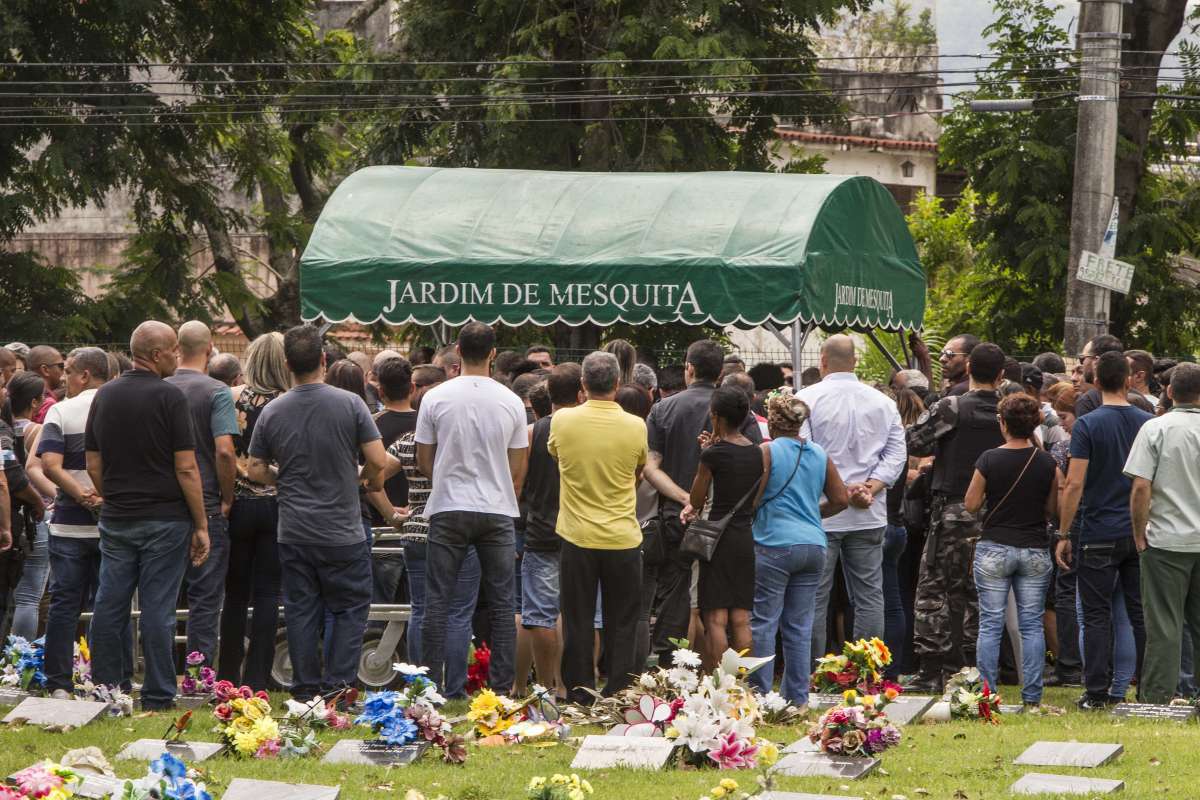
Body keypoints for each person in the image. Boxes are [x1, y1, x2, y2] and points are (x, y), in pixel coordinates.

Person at [247, 325, 387, 699]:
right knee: (349, 609)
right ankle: (338, 686)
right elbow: (377, 459)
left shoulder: (273, 411)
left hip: (294, 529)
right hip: (343, 529)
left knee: (300, 609)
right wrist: (365, 480)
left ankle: (305, 687)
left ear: (288, 364)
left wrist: (282, 477)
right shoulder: (351, 404)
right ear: (324, 360)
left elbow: (255, 469)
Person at [85, 321, 209, 710]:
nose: (178, 354)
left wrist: (113, 494)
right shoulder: (170, 398)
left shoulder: (104, 396)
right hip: (166, 519)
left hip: (118, 516)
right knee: (158, 608)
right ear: (156, 355)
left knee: (110, 603)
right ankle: (157, 694)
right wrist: (201, 523)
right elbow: (186, 467)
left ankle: (107, 687)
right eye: (173, 349)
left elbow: (92, 461)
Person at [416, 322, 527, 692]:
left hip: (449, 504)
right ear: (493, 354)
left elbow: (423, 459)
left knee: (437, 603)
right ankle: (500, 690)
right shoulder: (511, 400)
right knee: (501, 605)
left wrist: (447, 478)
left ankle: (429, 687)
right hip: (496, 508)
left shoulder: (435, 397)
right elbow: (517, 467)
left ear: (458, 352)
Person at [643, 340, 762, 665]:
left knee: (678, 596)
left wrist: (684, 499)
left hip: (676, 519)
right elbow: (749, 455)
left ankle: (673, 668)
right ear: (721, 371)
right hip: (728, 525)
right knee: (726, 608)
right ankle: (725, 677)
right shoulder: (738, 409)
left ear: (689, 369)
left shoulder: (663, 409)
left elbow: (650, 467)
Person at [797, 335, 906, 663]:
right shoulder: (883, 402)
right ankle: (868, 672)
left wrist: (840, 493)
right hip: (868, 511)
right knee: (870, 596)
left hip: (822, 512)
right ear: (855, 362)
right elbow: (897, 454)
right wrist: (870, 488)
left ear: (822, 360)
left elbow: (806, 453)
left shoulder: (806, 398)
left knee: (816, 597)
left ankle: (813, 673)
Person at [906, 342, 1007, 691]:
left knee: (933, 589)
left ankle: (932, 670)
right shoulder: (1008, 412)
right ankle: (972, 668)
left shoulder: (951, 407)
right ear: (1001, 375)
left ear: (968, 369)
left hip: (951, 511)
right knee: (980, 593)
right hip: (995, 514)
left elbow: (915, 442)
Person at [1056, 351, 1153, 709]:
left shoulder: (1088, 424)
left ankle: (1096, 691)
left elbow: (1075, 482)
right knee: (1139, 613)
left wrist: (1064, 533)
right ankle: (1146, 686)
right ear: (1129, 380)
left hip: (1098, 528)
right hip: (1138, 528)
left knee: (1095, 614)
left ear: (1095, 382)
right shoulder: (1147, 421)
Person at [379, 364, 481, 697]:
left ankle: (420, 684)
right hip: (458, 530)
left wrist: (393, 515)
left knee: (420, 609)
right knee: (457, 612)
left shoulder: (407, 442)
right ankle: (453, 688)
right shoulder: (460, 441)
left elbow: (371, 477)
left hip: (415, 532)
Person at [549, 351, 647, 701]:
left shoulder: (563, 421)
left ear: (582, 385)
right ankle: (620, 689)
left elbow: (556, 456)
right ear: (618, 384)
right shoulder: (637, 426)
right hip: (622, 536)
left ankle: (579, 690)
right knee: (623, 621)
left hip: (577, 536)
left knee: (577, 619)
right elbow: (637, 472)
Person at [748, 388, 849, 706]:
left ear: (774, 424)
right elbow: (841, 499)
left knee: (764, 620)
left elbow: (755, 497)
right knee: (799, 623)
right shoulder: (820, 454)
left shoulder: (768, 451)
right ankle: (797, 696)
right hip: (813, 544)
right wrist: (810, 512)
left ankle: (761, 695)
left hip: (773, 543)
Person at [964, 393, 1059, 706]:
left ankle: (987, 695)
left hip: (994, 546)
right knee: (1031, 624)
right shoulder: (1046, 461)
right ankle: (1032, 696)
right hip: (1033, 548)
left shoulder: (989, 459)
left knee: (990, 623)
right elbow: (1051, 509)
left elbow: (971, 503)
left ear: (1002, 423)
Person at [218, 332, 289, 690]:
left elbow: (224, 452)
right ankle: (259, 677)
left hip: (240, 502)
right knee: (267, 594)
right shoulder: (290, 403)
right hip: (278, 504)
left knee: (234, 593)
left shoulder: (231, 398)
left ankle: (227, 673)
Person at [1125, 363, 1200, 703]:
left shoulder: (1156, 428)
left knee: (1165, 624)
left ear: (1169, 391)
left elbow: (1141, 486)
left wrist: (1139, 532)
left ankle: (1157, 695)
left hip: (1166, 539)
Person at [167, 321, 238, 667]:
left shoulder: (160, 388)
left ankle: (162, 674)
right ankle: (199, 676)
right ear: (210, 347)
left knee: (162, 596)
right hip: (208, 503)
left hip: (164, 504)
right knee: (205, 598)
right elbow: (225, 450)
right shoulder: (217, 392)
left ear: (177, 347)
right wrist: (228, 497)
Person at [682, 386, 764, 668]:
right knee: (741, 617)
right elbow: (755, 498)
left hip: (716, 540)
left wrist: (705, 455)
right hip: (744, 537)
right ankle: (743, 683)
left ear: (715, 416)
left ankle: (722, 679)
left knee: (715, 617)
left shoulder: (712, 455)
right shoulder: (757, 452)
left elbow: (696, 498)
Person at [519, 363, 584, 695]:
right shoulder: (591, 429)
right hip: (584, 532)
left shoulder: (534, 432)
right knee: (585, 616)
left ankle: (546, 686)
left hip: (543, 529)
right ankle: (577, 686)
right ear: (581, 391)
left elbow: (518, 482)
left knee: (541, 615)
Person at [6, 372, 52, 641]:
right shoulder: (39, 430)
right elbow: (39, 471)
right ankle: (19, 660)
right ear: (35, 402)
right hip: (33, 515)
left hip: (7, 515)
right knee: (29, 596)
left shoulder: (3, 427)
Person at [26, 345, 65, 424]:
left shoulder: (22, 394)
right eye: (61, 366)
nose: (64, 370)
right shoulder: (49, 404)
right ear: (45, 370)